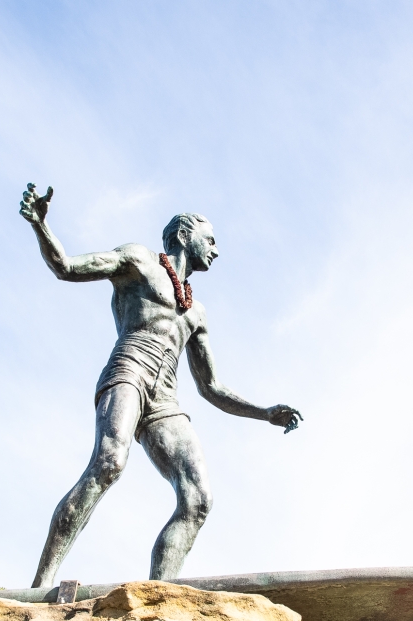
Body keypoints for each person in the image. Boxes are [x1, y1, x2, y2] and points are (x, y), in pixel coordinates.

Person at [19, 183, 303, 588]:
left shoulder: (196, 311)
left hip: (166, 397)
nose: (217, 251)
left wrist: (264, 412)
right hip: (130, 369)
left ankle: (159, 594)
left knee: (198, 499)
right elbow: (66, 267)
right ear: (185, 235)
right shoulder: (139, 261)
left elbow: (211, 387)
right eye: (212, 240)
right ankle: (40, 585)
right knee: (108, 463)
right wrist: (41, 226)